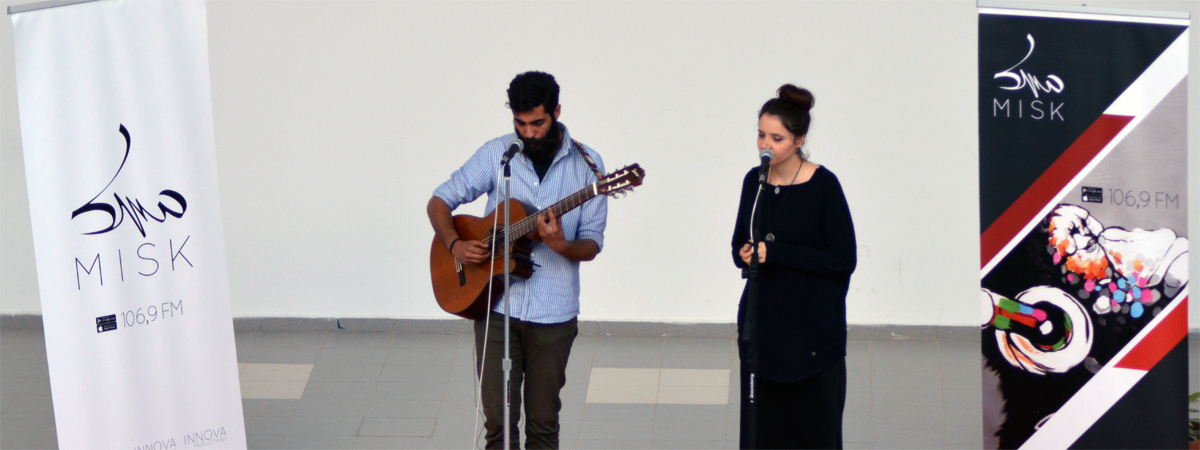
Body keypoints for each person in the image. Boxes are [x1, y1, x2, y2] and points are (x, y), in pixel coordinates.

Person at [426, 71, 607, 449]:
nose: (528, 133)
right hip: (496, 307)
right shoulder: (498, 153)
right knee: (498, 425)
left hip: (553, 316)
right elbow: (440, 200)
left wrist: (559, 244)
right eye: (520, 124)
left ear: (556, 111)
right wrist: (456, 243)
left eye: (537, 123)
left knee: (543, 425)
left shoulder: (589, 166)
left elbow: (591, 242)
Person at [730, 84, 856, 449]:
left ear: (799, 140)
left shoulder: (824, 186)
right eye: (760, 135)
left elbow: (843, 259)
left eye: (777, 138)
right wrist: (744, 253)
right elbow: (739, 241)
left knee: (812, 435)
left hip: (813, 337)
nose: (765, 146)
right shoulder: (753, 183)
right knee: (763, 435)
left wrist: (776, 253)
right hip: (763, 332)